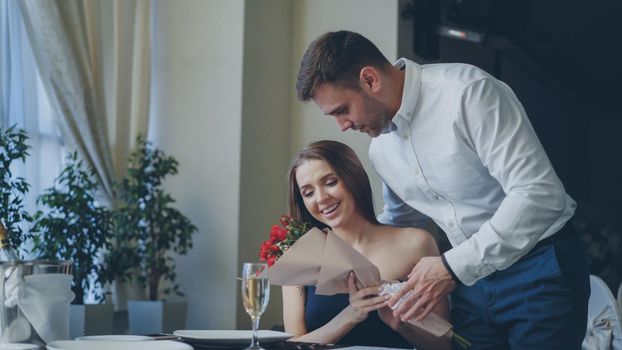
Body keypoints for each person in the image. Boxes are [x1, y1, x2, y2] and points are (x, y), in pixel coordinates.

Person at [295, 30, 589, 350]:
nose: (343, 126)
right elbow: (401, 223)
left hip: (538, 268)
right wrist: (352, 261)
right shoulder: (380, 150)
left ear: (369, 80)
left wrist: (451, 267)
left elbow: (539, 194)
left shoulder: (468, 93)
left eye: (342, 110)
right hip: (469, 286)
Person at [283, 140, 451, 350]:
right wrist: (350, 316)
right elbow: (291, 346)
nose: (321, 198)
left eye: (330, 182)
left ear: (353, 178)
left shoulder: (416, 243)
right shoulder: (299, 256)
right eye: (308, 193)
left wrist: (402, 325)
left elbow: (443, 345)